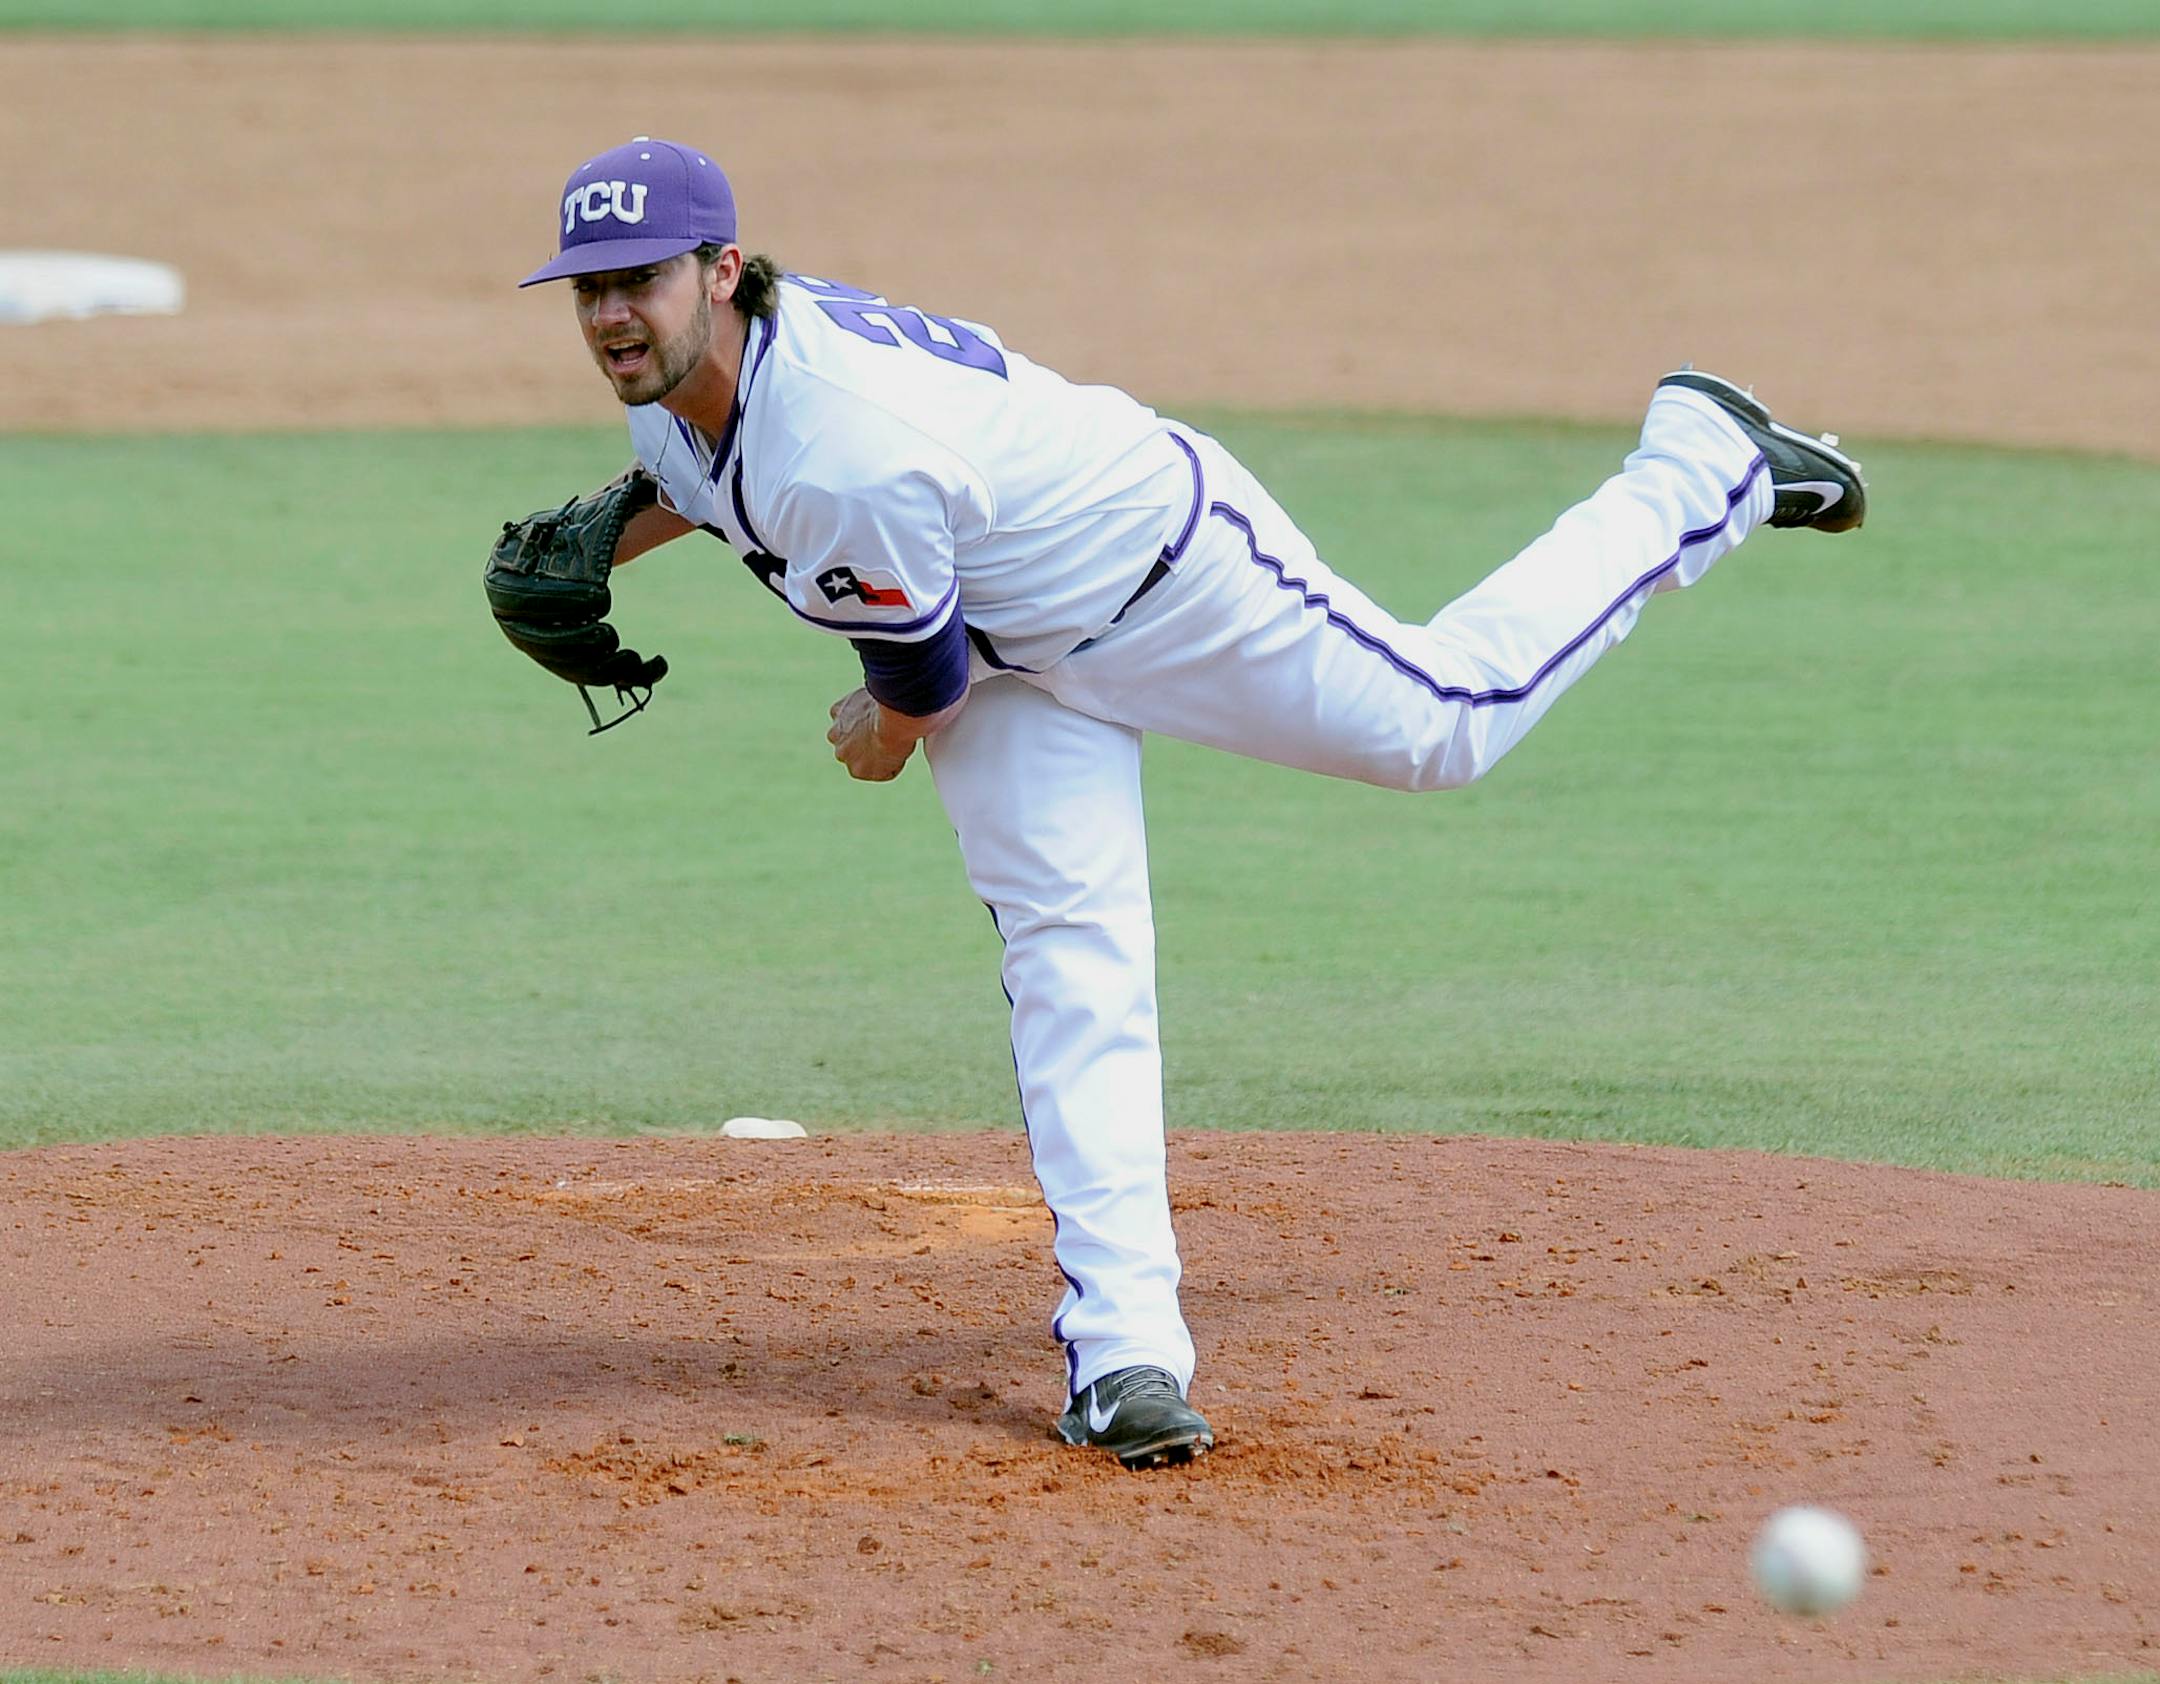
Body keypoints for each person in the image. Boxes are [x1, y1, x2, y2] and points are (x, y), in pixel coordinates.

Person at [506, 136, 1867, 1470]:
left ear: (724, 271)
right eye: (591, 288)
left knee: (1445, 728)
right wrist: (604, 540)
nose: (615, 314)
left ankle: (1704, 465)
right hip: (1014, 654)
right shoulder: (694, 391)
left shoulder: (845, 447)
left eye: (644, 278)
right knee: (1070, 963)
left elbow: (911, 676)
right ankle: (1125, 1357)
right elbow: (706, 475)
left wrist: (884, 730)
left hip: (1168, 580)